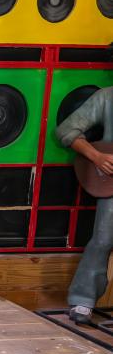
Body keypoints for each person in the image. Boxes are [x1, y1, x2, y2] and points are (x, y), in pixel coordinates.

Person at [55, 85, 113, 325]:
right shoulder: (107, 97)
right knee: (103, 239)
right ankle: (83, 298)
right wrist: (97, 157)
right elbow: (66, 130)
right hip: (111, 185)